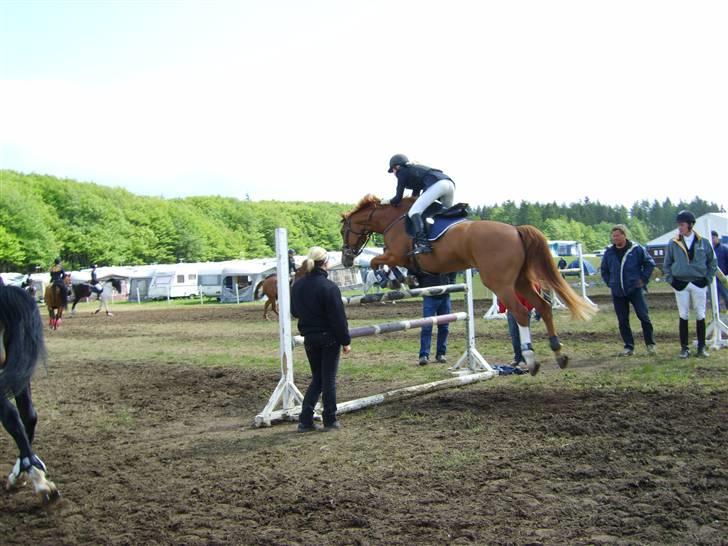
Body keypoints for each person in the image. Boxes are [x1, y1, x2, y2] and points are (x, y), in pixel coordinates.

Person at [291, 246, 351, 432]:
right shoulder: (329, 287)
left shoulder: (298, 285)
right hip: (329, 338)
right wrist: (345, 340)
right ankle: (330, 419)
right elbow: (338, 318)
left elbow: (294, 312)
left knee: (318, 378)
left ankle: (305, 419)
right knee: (328, 380)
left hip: (309, 338)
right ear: (325, 263)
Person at [663, 210, 717, 358]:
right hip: (680, 284)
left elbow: (712, 262)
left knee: (700, 314)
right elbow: (667, 264)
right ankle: (684, 348)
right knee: (683, 315)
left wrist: (708, 279)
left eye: (682, 225)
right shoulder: (673, 243)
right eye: (679, 225)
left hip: (699, 282)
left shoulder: (704, 242)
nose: (680, 227)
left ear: (691, 225)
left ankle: (701, 347)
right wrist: (671, 280)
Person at [600, 224, 656, 356]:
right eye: (613, 236)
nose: (615, 238)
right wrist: (610, 283)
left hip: (635, 289)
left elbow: (649, 263)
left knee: (644, 317)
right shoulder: (609, 252)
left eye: (618, 235)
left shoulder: (636, 250)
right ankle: (629, 346)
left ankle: (650, 344)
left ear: (624, 235)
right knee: (623, 320)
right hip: (617, 292)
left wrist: (643, 279)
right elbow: (604, 270)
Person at [385, 154, 456, 255]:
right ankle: (448, 240)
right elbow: (415, 195)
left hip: (438, 185)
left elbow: (398, 198)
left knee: (413, 212)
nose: (394, 173)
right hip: (449, 184)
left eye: (393, 170)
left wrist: (387, 202)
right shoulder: (413, 170)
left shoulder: (402, 172)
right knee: (443, 215)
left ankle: (423, 244)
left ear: (397, 166)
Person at [415, 270, 457, 365]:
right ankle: (424, 355)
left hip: (445, 295)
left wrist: (452, 282)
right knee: (426, 327)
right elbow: (415, 272)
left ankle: (441, 354)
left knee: (444, 327)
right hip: (429, 295)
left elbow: (453, 268)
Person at [498, 291, 534, 369]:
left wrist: (527, 307)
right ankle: (517, 357)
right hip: (511, 309)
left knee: (524, 335)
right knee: (514, 334)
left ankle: (525, 359)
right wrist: (502, 308)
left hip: (523, 308)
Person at [711, 230, 728, 311]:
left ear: (717, 238)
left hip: (723, 277)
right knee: (714, 298)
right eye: (710, 238)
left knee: (726, 296)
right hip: (712, 278)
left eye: (713, 237)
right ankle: (717, 314)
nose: (712, 239)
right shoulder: (709, 250)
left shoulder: (724, 249)